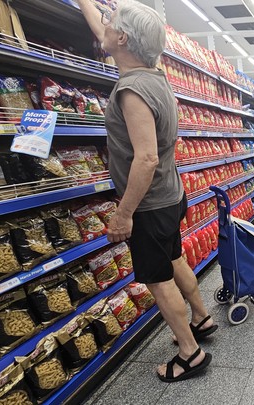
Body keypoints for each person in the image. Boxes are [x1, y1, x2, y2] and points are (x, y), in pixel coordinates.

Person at [78, 0, 216, 383]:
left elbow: (145, 159)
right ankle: (201, 319)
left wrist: (123, 214)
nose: (104, 25)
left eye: (111, 23)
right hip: (171, 195)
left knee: (158, 278)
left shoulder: (131, 90)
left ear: (122, 38)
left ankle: (190, 353)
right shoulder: (155, 76)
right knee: (174, 259)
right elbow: (105, 33)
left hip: (149, 204)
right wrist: (86, 5)